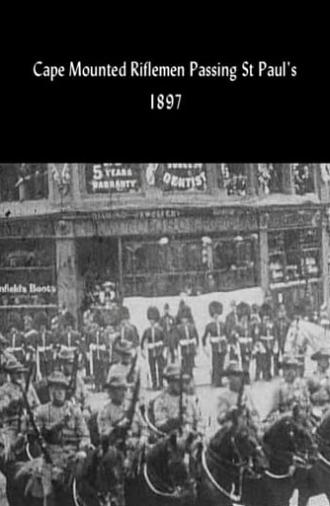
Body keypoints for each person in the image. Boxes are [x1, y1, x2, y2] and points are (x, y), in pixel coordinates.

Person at [34, 371, 91, 494]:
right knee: (48, 493)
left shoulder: (74, 411)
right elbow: (39, 435)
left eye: (62, 388)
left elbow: (85, 434)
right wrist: (59, 423)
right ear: (50, 390)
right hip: (51, 458)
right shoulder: (42, 411)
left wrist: (82, 449)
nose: (59, 392)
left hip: (74, 456)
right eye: (55, 388)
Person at [151, 363, 203, 436]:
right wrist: (172, 422)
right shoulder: (161, 400)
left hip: (191, 437)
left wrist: (199, 431)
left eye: (181, 381)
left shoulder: (189, 399)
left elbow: (199, 419)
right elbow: (159, 423)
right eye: (176, 381)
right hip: (171, 438)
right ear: (169, 382)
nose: (180, 384)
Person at [0, 358, 40, 451]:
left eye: (20, 372)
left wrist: (33, 410)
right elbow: (2, 408)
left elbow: (38, 405)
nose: (19, 375)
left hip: (30, 421)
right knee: (9, 448)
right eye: (15, 372)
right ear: (10, 374)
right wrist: (14, 402)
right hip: (12, 424)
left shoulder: (28, 387)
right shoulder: (4, 390)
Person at [216, 361, 260, 434]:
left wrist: (255, 422)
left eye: (240, 375)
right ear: (229, 377)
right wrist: (230, 412)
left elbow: (255, 413)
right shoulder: (224, 397)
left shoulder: (247, 394)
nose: (238, 378)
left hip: (248, 428)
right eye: (235, 375)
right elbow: (220, 418)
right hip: (232, 431)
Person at [202, 301, 227, 387]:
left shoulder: (223, 324)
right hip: (215, 348)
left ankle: (219, 381)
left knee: (221, 364)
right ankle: (215, 381)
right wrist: (205, 347)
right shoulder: (209, 325)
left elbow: (227, 334)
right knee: (215, 365)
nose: (216, 316)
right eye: (214, 314)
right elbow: (204, 337)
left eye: (217, 314)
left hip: (222, 347)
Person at [141, 306, 166, 390]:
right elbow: (142, 341)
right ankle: (154, 384)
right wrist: (143, 350)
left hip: (159, 351)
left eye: (153, 320)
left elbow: (165, 340)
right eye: (150, 319)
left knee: (160, 368)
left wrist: (161, 346)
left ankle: (161, 383)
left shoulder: (160, 329)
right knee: (152, 368)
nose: (151, 321)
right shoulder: (147, 330)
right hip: (151, 351)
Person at [174, 306, 199, 378]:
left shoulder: (192, 326)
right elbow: (176, 339)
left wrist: (196, 346)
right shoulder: (178, 328)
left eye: (185, 318)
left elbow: (196, 336)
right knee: (184, 365)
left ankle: (191, 378)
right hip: (183, 349)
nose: (184, 320)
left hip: (191, 348)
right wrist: (176, 349)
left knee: (190, 365)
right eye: (183, 318)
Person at [307, 348, 330, 418]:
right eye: (323, 359)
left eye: (326, 359)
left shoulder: (329, 377)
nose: (325, 361)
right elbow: (307, 393)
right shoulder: (312, 377)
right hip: (314, 408)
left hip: (328, 408)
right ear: (318, 360)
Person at [273, 303, 291, 376]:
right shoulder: (275, 321)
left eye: (283, 311)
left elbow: (289, 332)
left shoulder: (288, 321)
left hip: (285, 341)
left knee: (285, 356)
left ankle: (285, 371)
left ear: (285, 312)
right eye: (280, 311)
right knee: (275, 356)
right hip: (277, 341)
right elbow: (274, 331)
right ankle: (276, 371)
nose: (281, 313)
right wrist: (275, 340)